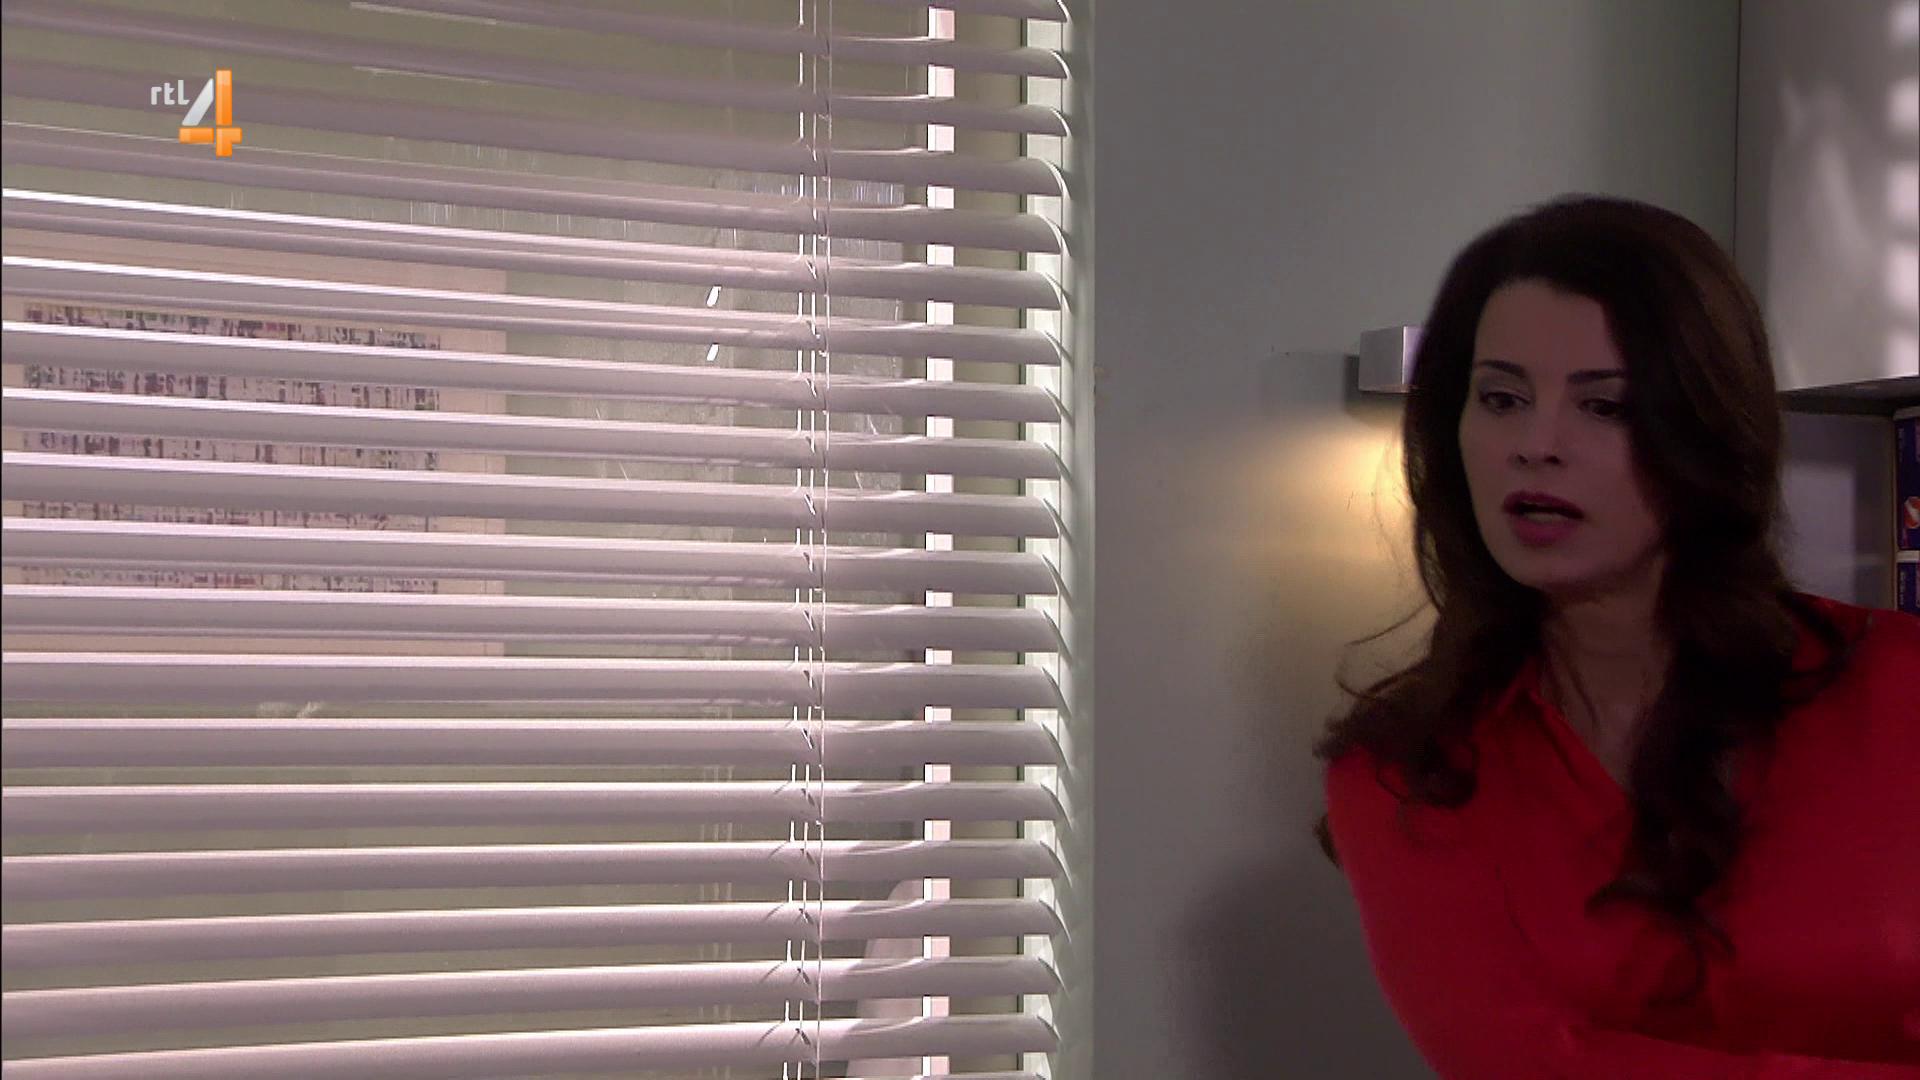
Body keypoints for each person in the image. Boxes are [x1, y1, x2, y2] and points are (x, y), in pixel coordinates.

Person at [1316, 195, 1920, 1078]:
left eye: (1604, 407)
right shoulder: (1408, 774)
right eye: (1502, 399)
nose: (1537, 445)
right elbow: (1523, 1064)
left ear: (1707, 431)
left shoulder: (1899, 688)